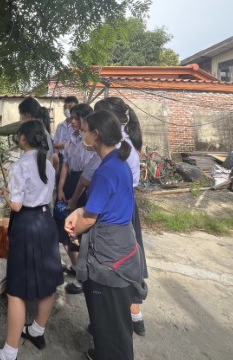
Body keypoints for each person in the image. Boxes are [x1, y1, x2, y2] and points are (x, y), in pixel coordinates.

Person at [65, 111, 147, 360]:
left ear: (96, 135)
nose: (82, 134)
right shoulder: (118, 163)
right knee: (113, 316)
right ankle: (104, 351)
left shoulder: (105, 171)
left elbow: (90, 219)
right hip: (122, 244)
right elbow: (99, 206)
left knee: (111, 318)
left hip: (109, 254)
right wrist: (78, 211)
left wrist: (73, 231)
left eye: (85, 130)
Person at [0, 120, 63, 360]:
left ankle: (9, 353)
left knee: (16, 290)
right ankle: (37, 331)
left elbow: (17, 206)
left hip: (27, 223)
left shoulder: (20, 165)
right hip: (45, 221)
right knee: (47, 282)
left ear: (23, 139)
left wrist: (7, 195)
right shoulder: (48, 164)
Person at [93, 97, 148, 336]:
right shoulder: (123, 144)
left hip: (118, 207)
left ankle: (129, 317)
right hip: (122, 203)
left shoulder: (120, 149)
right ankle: (133, 317)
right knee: (124, 262)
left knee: (120, 265)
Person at [55, 103, 97, 294]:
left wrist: (74, 199)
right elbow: (65, 163)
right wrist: (61, 187)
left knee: (77, 233)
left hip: (82, 187)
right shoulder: (71, 137)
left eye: (75, 118)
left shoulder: (89, 142)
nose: (71, 121)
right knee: (63, 229)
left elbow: (86, 175)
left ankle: (82, 278)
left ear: (85, 120)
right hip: (70, 183)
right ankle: (75, 266)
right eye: (71, 117)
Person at [18, 97, 57, 168]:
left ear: (28, 115)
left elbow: (39, 163)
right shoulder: (38, 132)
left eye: (21, 115)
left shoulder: (39, 134)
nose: (21, 119)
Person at [53, 96, 79, 166]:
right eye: (65, 107)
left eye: (70, 107)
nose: (67, 110)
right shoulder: (60, 126)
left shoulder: (78, 127)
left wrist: (60, 145)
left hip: (72, 159)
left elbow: (75, 145)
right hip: (60, 158)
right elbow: (55, 144)